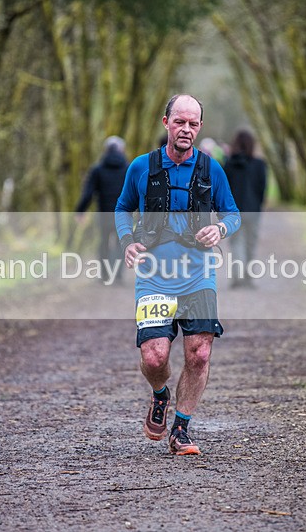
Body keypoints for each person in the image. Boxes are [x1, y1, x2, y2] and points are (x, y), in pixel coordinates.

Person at [115, 94, 241, 455]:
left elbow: (232, 213)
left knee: (199, 353)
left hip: (198, 275)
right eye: (180, 122)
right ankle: (160, 395)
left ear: (200, 127)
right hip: (154, 275)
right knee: (155, 357)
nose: (186, 129)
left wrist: (221, 230)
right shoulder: (141, 167)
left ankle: (181, 430)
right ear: (165, 122)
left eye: (194, 124)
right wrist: (127, 240)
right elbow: (123, 208)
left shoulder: (211, 168)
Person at [75, 136, 128, 283]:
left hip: (103, 213)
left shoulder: (97, 169)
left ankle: (104, 275)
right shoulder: (128, 168)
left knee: (103, 242)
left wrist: (80, 211)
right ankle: (117, 275)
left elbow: (88, 193)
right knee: (120, 243)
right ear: (122, 150)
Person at [224, 129, 267, 288]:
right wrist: (258, 205)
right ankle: (248, 278)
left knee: (236, 244)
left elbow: (224, 189)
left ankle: (237, 278)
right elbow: (262, 188)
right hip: (253, 210)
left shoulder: (228, 164)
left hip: (233, 211)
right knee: (251, 244)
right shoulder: (259, 164)